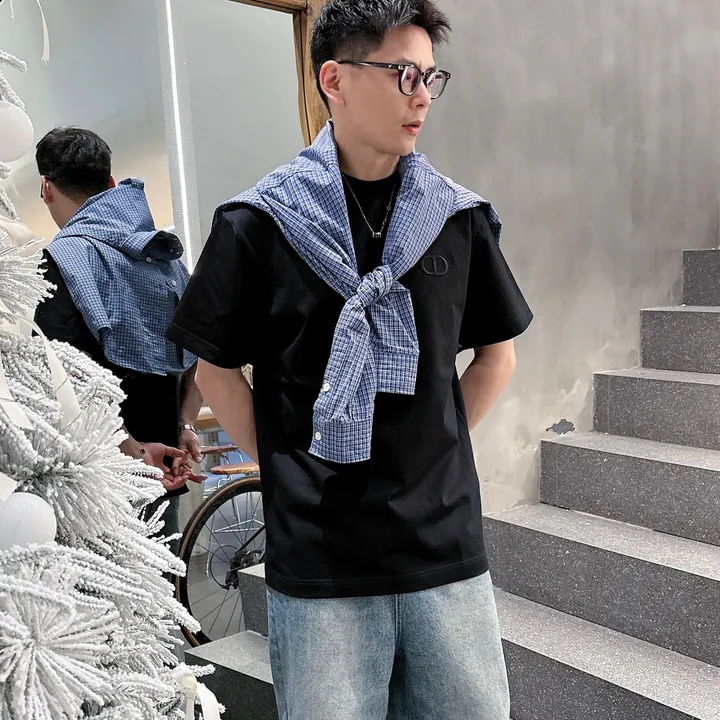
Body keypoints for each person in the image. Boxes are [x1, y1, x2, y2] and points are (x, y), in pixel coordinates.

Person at [169, 0, 533, 716]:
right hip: (321, 558)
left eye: (431, 77)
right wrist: (287, 463)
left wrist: (437, 443)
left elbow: (497, 356)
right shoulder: (258, 224)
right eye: (403, 74)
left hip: (443, 550)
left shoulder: (456, 219)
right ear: (334, 80)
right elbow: (216, 369)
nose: (422, 96)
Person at [33, 127, 204, 553]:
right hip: (165, 466)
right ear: (111, 183)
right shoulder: (164, 256)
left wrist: (133, 450)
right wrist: (184, 424)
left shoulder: (58, 263)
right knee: (161, 583)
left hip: (92, 480)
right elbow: (201, 350)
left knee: (105, 589)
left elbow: (63, 379)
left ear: (46, 188)